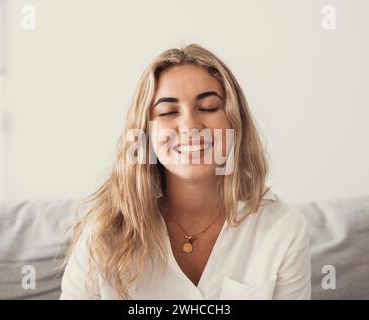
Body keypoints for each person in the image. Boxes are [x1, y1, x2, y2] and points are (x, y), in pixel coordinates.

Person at [59, 44, 311, 300]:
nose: (190, 126)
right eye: (168, 112)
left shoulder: (282, 228)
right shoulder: (102, 235)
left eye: (209, 108)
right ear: (145, 133)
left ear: (236, 122)